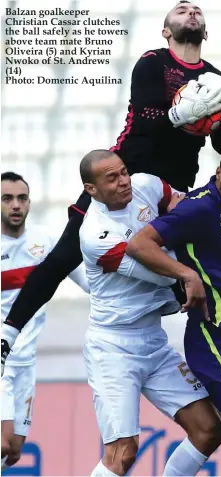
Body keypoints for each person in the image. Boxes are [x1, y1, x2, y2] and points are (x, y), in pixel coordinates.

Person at [1, 0, 221, 352]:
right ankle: (7, 336)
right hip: (122, 175)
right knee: (65, 255)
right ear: (165, 30)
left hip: (172, 188)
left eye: (196, 11)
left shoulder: (218, 80)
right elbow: (146, 119)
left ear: (206, 31)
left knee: (194, 270)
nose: (190, 12)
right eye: (181, 10)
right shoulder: (152, 62)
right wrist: (183, 113)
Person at [78, 149, 221, 477]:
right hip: (113, 348)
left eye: (123, 172)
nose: (123, 182)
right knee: (122, 453)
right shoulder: (95, 235)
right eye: (111, 178)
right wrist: (190, 273)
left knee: (209, 429)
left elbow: (190, 209)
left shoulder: (147, 185)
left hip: (152, 341)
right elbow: (160, 273)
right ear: (91, 189)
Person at [126, 140, 221, 476]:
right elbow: (139, 244)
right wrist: (186, 273)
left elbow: (220, 247)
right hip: (214, 335)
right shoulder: (198, 209)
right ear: (218, 172)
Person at [1, 172, 89, 470]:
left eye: (22, 198)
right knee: (1, 441)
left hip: (26, 362)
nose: (16, 205)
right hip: (1, 359)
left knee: (12, 451)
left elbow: (88, 283)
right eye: (7, 198)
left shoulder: (46, 241)